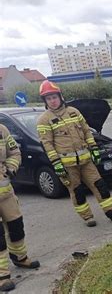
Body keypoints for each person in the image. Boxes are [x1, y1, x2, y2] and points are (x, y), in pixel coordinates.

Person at [36, 80, 112, 227]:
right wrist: (56, 164)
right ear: (45, 101)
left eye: (54, 97)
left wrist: (93, 148)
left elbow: (86, 131)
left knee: (100, 185)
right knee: (77, 191)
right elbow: (47, 144)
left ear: (60, 96)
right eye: (48, 99)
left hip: (86, 161)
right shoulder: (44, 120)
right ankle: (87, 217)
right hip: (67, 166)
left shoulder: (74, 112)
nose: (52, 101)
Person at [0, 124, 39, 292]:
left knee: (16, 225)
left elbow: (14, 152)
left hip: (6, 192)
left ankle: (20, 258)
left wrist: (11, 168)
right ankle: (2, 275)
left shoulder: (1, 129)